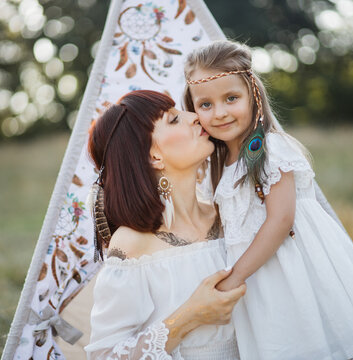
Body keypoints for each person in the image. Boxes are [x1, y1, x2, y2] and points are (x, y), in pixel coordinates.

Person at [183, 40, 353, 360]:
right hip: (259, 280)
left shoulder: (271, 149)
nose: (220, 113)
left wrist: (234, 279)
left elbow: (281, 220)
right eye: (205, 105)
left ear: (253, 96)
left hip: (294, 271)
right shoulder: (216, 166)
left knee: (317, 342)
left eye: (231, 98)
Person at [84, 90, 246, 359]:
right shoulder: (132, 244)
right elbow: (104, 355)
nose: (195, 117)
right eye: (173, 119)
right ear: (153, 156)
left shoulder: (229, 213)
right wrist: (189, 317)